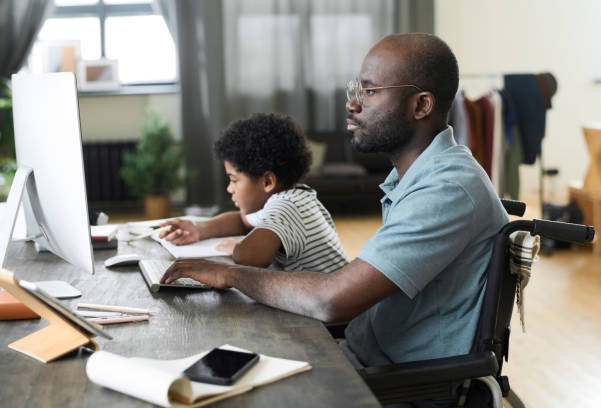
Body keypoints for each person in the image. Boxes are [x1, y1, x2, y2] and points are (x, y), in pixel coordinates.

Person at [161, 33, 507, 374]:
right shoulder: (420, 177)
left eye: (369, 92)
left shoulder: (445, 189)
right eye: (355, 90)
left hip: (394, 381)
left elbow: (332, 300)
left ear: (421, 105)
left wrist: (231, 275)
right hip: (362, 351)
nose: (352, 104)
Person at [159, 112, 349, 273]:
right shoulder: (290, 197)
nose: (229, 188)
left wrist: (235, 249)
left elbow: (252, 257)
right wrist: (199, 229)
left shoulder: (288, 207)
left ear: (267, 181)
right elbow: (242, 222)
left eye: (234, 180)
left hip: (336, 311)